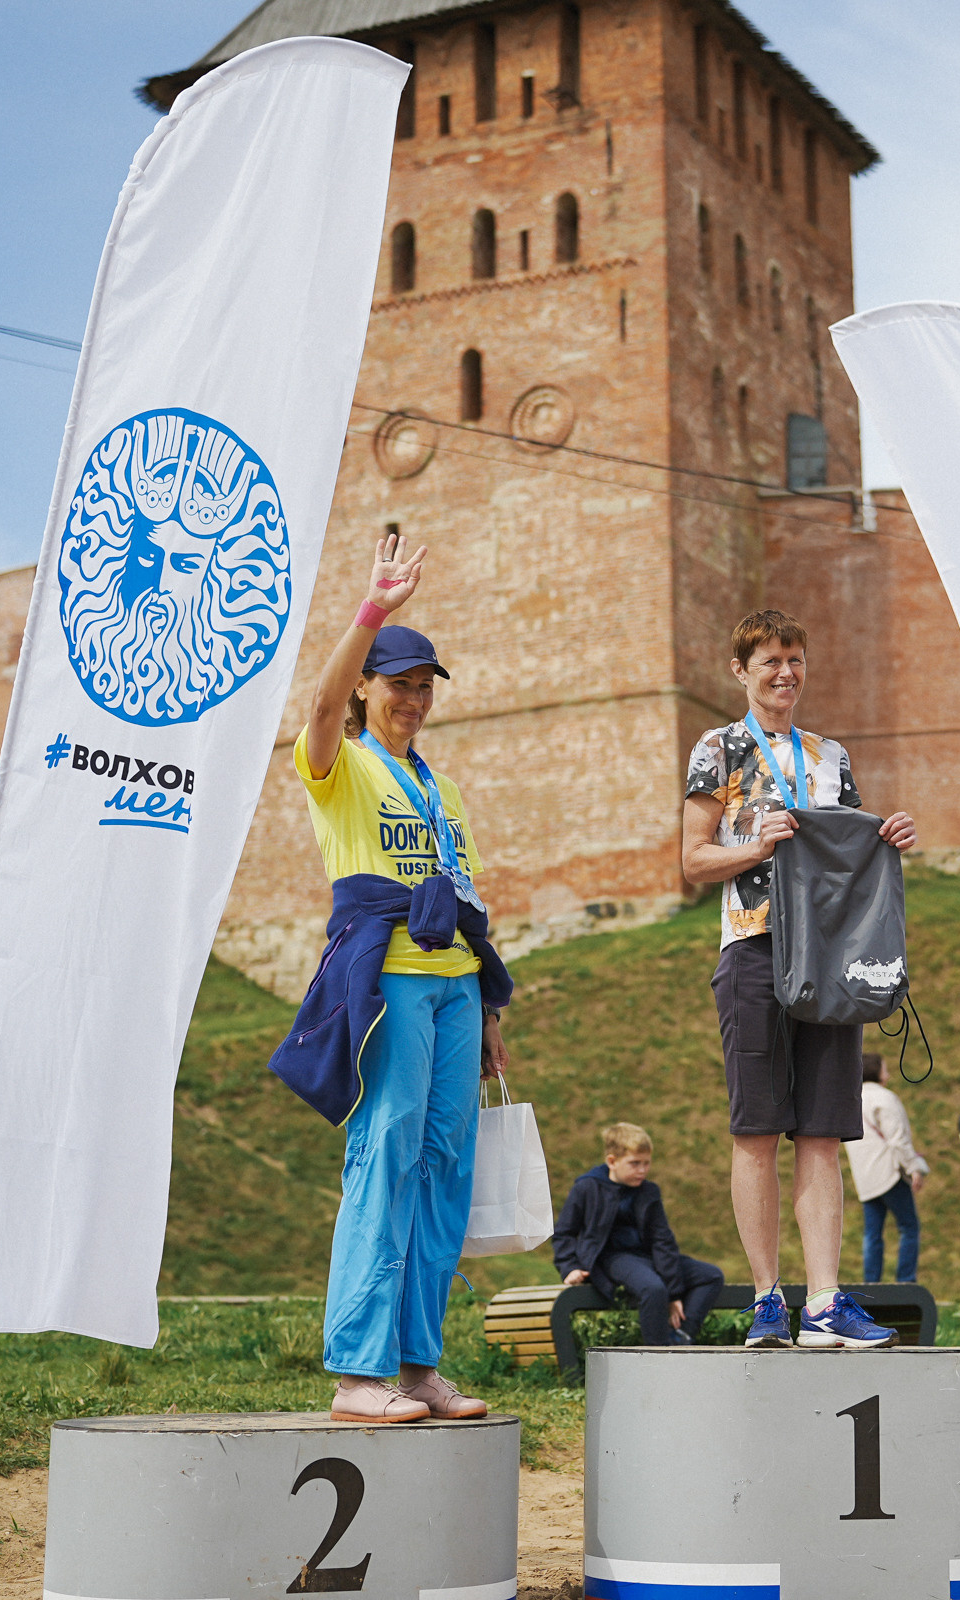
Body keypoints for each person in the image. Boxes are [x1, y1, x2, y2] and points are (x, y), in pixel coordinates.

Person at [292, 531, 513, 1425]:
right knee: (383, 1158)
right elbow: (317, 701)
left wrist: (491, 1009)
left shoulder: (444, 789)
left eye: (425, 686)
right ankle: (357, 1369)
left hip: (457, 981)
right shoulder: (339, 768)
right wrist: (371, 611)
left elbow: (466, 896)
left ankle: (419, 1364)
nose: (414, 700)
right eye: (399, 684)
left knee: (443, 1167)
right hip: (387, 982)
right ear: (367, 693)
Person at [681, 609, 918, 1349]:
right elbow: (692, 860)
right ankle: (765, 1302)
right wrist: (755, 845)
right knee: (756, 1131)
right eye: (770, 662)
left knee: (822, 1132)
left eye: (794, 660)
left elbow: (845, 861)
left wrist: (888, 838)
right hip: (753, 947)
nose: (784, 673)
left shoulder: (830, 756)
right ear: (741, 672)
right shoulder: (716, 749)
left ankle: (822, 1301)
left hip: (827, 958)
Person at [554, 1122, 726, 1346]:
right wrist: (569, 1267)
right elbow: (564, 1232)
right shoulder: (587, 1188)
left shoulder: (649, 1192)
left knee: (711, 1275)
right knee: (653, 1288)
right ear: (612, 1161)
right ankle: (658, 1354)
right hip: (612, 1258)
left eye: (646, 1163)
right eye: (635, 1164)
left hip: (647, 1257)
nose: (642, 1171)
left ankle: (681, 1336)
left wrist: (674, 1293)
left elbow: (662, 1240)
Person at [849, 1053, 929, 1284]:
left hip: (864, 1177)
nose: (889, 1073)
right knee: (909, 1227)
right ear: (876, 1071)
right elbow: (898, 1140)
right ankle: (906, 1281)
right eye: (885, 1068)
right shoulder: (885, 1098)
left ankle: (871, 1285)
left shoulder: (851, 1098)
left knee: (872, 1234)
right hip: (889, 1173)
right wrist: (914, 1167)